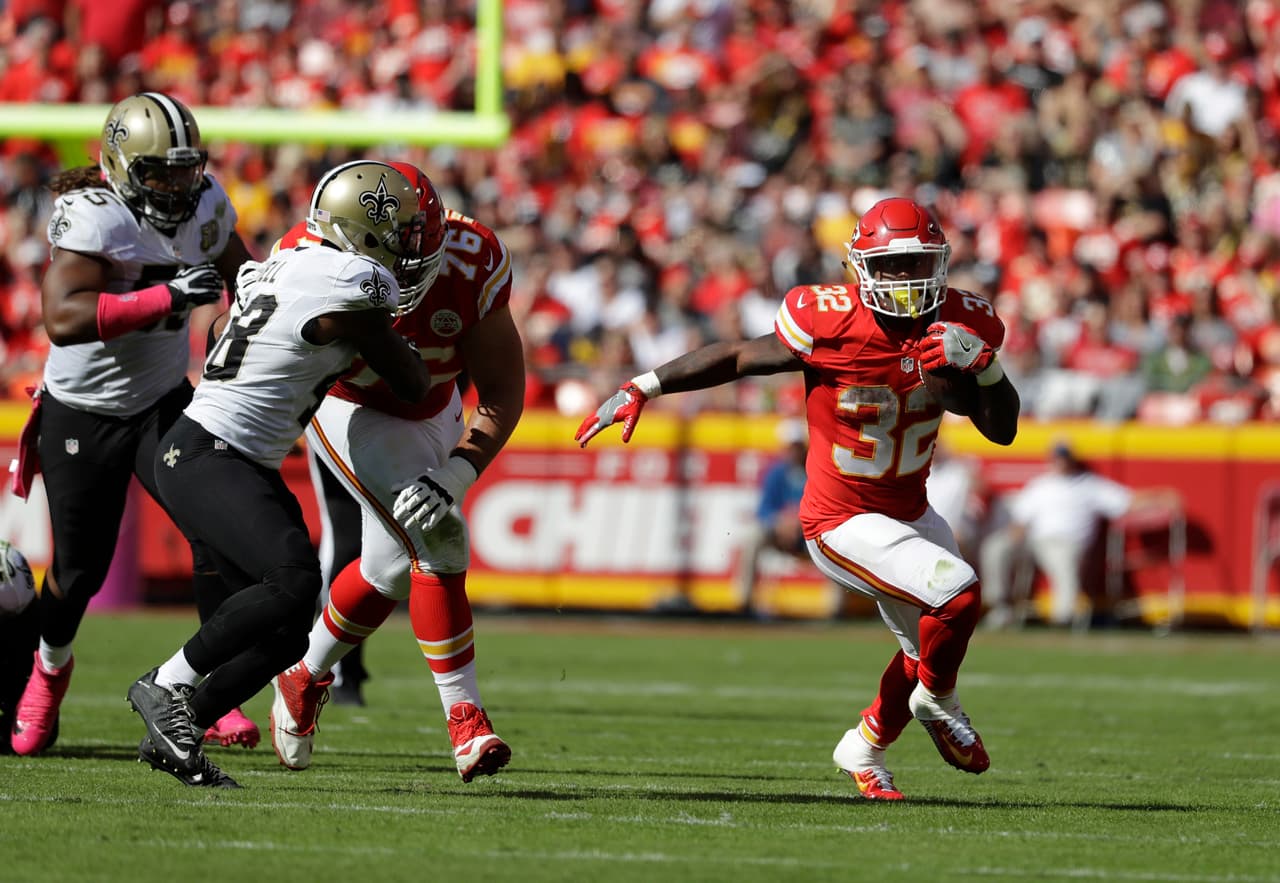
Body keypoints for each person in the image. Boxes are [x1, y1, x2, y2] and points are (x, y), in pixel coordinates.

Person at [576, 197, 1020, 800]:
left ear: (939, 263)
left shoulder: (963, 322)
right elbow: (737, 356)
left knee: (928, 645)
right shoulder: (827, 318)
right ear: (860, 268)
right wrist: (643, 385)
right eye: (889, 267)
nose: (904, 278)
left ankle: (863, 746)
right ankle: (939, 704)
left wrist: (985, 369)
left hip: (910, 509)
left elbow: (999, 426)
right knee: (957, 594)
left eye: (916, 263)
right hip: (842, 518)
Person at [124, 160, 433, 788]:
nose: (408, 249)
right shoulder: (357, 282)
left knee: (292, 629)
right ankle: (166, 684)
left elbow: (236, 318)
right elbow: (412, 383)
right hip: (212, 451)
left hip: (224, 453)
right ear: (364, 233)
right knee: (292, 579)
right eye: (401, 234)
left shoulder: (296, 259)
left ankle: (179, 731)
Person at [9, 92, 260, 757]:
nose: (179, 187)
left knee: (212, 535)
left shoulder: (205, 206)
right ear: (120, 167)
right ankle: (49, 672)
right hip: (82, 410)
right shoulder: (95, 218)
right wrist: (167, 297)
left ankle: (209, 690)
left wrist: (257, 305)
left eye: (186, 170)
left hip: (159, 401)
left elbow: (246, 273)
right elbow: (62, 316)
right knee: (79, 568)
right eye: (161, 172)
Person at [268, 161, 524, 783]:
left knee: (386, 568)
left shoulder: (471, 258)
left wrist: (458, 474)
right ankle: (465, 717)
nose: (406, 265)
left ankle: (303, 673)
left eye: (415, 247)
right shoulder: (302, 258)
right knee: (440, 541)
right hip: (347, 404)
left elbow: (502, 391)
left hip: (436, 404)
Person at [978, 441, 1172, 629]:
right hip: (1033, 540)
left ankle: (1063, 619)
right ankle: (999, 607)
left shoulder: (1089, 485)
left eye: (1063, 457)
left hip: (1066, 543)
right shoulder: (1040, 484)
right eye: (1056, 456)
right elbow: (1021, 519)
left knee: (1062, 562)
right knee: (996, 547)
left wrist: (1161, 495)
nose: (1060, 461)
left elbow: (1126, 501)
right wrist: (1015, 532)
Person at [733, 417, 810, 617]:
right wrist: (780, 522)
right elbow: (764, 510)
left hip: (809, 534)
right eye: (790, 446)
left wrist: (799, 521)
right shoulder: (776, 473)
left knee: (836, 545)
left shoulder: (814, 470)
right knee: (752, 538)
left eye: (797, 446)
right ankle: (744, 603)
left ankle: (837, 612)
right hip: (781, 533)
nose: (793, 451)